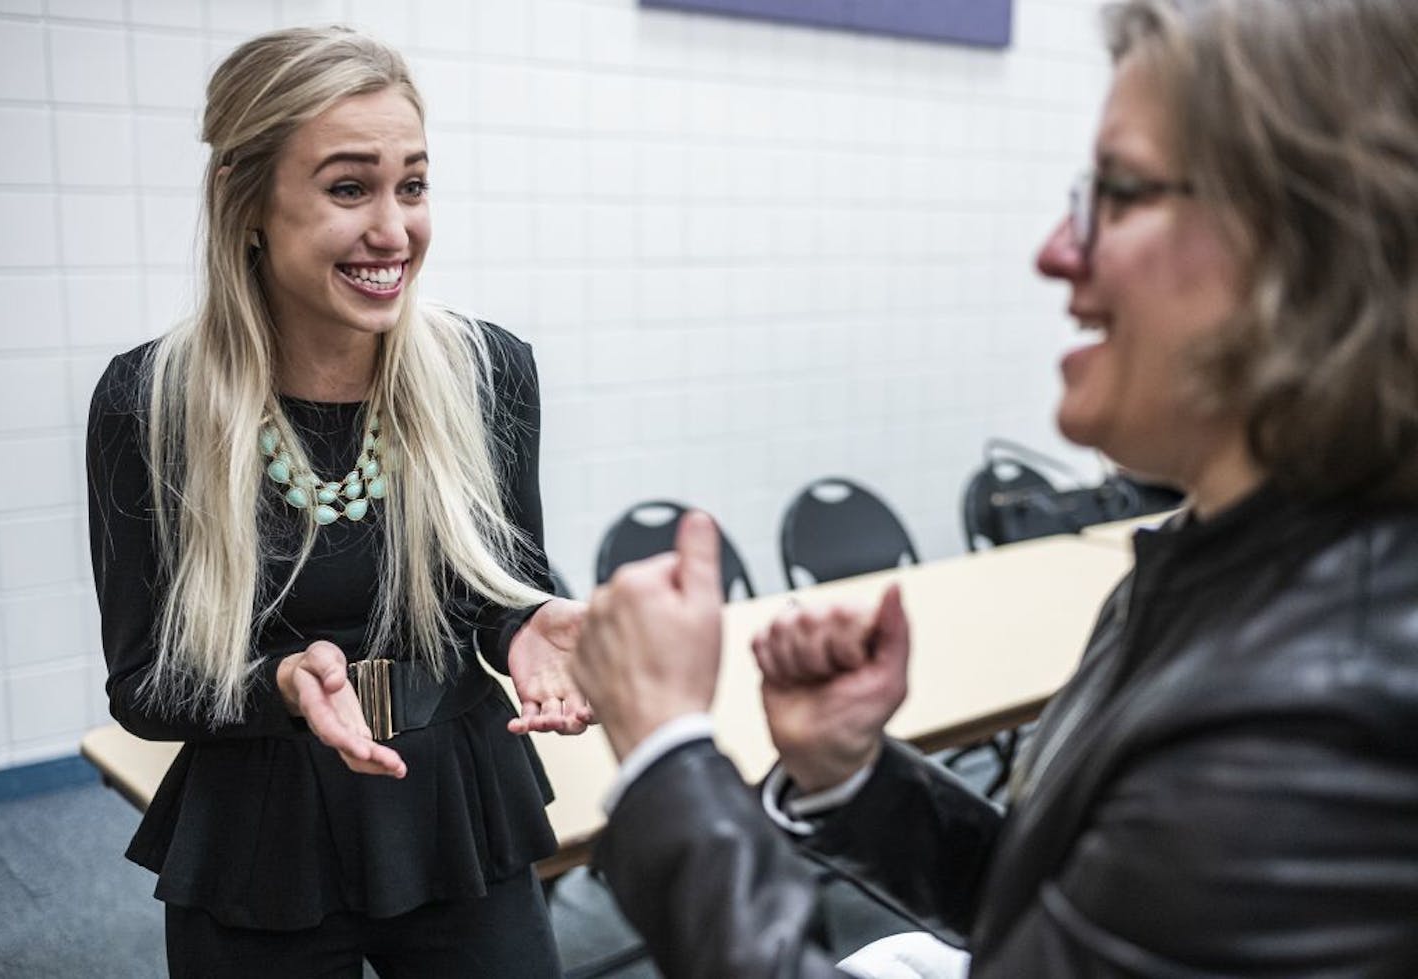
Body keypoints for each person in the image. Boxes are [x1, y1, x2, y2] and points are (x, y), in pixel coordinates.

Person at [571, 0, 1418, 975]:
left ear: (1313, 240)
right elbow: (1073, 911)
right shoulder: (1220, 566)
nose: (1056, 250)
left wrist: (666, 758)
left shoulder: (1311, 726)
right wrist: (851, 777)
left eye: (1121, 192)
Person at [86, 26, 592, 977]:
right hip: (258, 824)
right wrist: (280, 684)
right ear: (249, 205)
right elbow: (143, 682)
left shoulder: (489, 374)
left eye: (413, 184)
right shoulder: (150, 403)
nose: (395, 232)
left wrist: (524, 630)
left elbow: (498, 592)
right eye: (349, 188)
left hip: (456, 804)